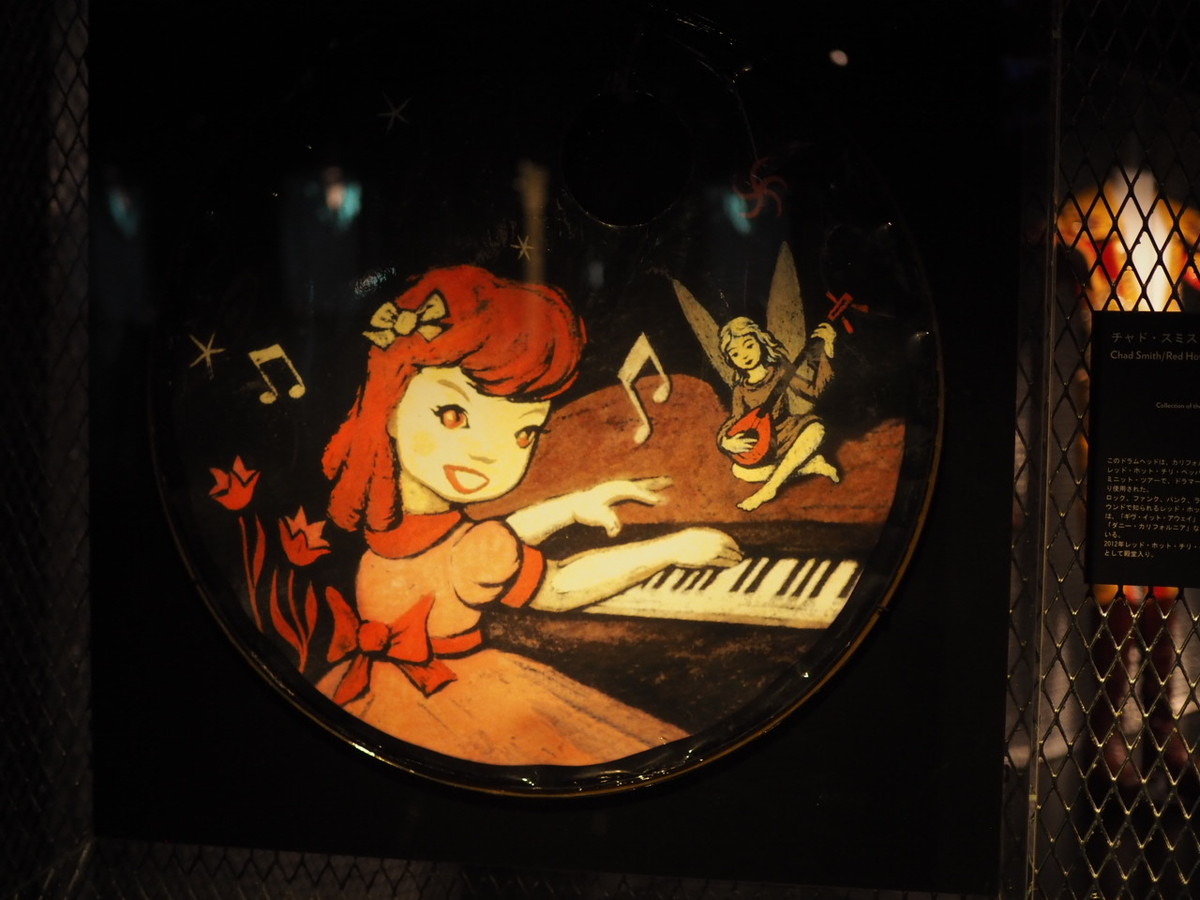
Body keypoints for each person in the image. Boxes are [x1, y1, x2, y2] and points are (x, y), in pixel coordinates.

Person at [317, 265, 741, 767]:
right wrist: (670, 549)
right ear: (393, 403)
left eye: (523, 434)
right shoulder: (470, 551)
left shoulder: (387, 527)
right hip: (463, 707)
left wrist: (573, 506)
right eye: (454, 415)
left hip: (371, 690)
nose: (488, 453)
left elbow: (470, 548)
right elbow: (558, 585)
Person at [716, 316, 840, 512]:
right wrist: (724, 441)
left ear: (760, 342)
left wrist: (827, 351)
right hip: (763, 444)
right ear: (730, 359)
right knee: (739, 471)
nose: (744, 355)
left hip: (788, 432)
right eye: (735, 353)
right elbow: (736, 419)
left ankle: (769, 489)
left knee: (817, 430)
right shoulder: (740, 389)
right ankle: (808, 466)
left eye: (749, 345)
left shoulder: (780, 371)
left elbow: (814, 391)